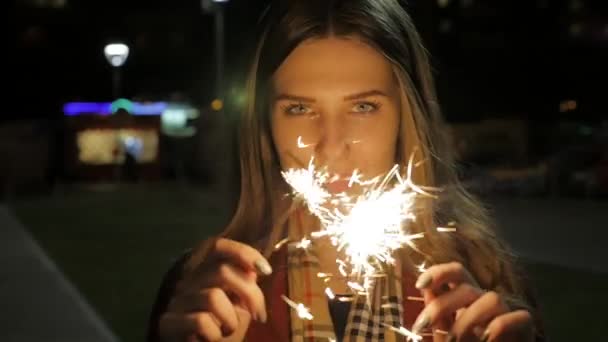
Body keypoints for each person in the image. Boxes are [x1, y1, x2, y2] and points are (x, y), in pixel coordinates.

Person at [147, 1, 544, 341]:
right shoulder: (203, 291)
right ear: (265, 127)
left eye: (363, 107)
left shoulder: (487, 286)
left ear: (407, 120)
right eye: (300, 109)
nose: (331, 145)